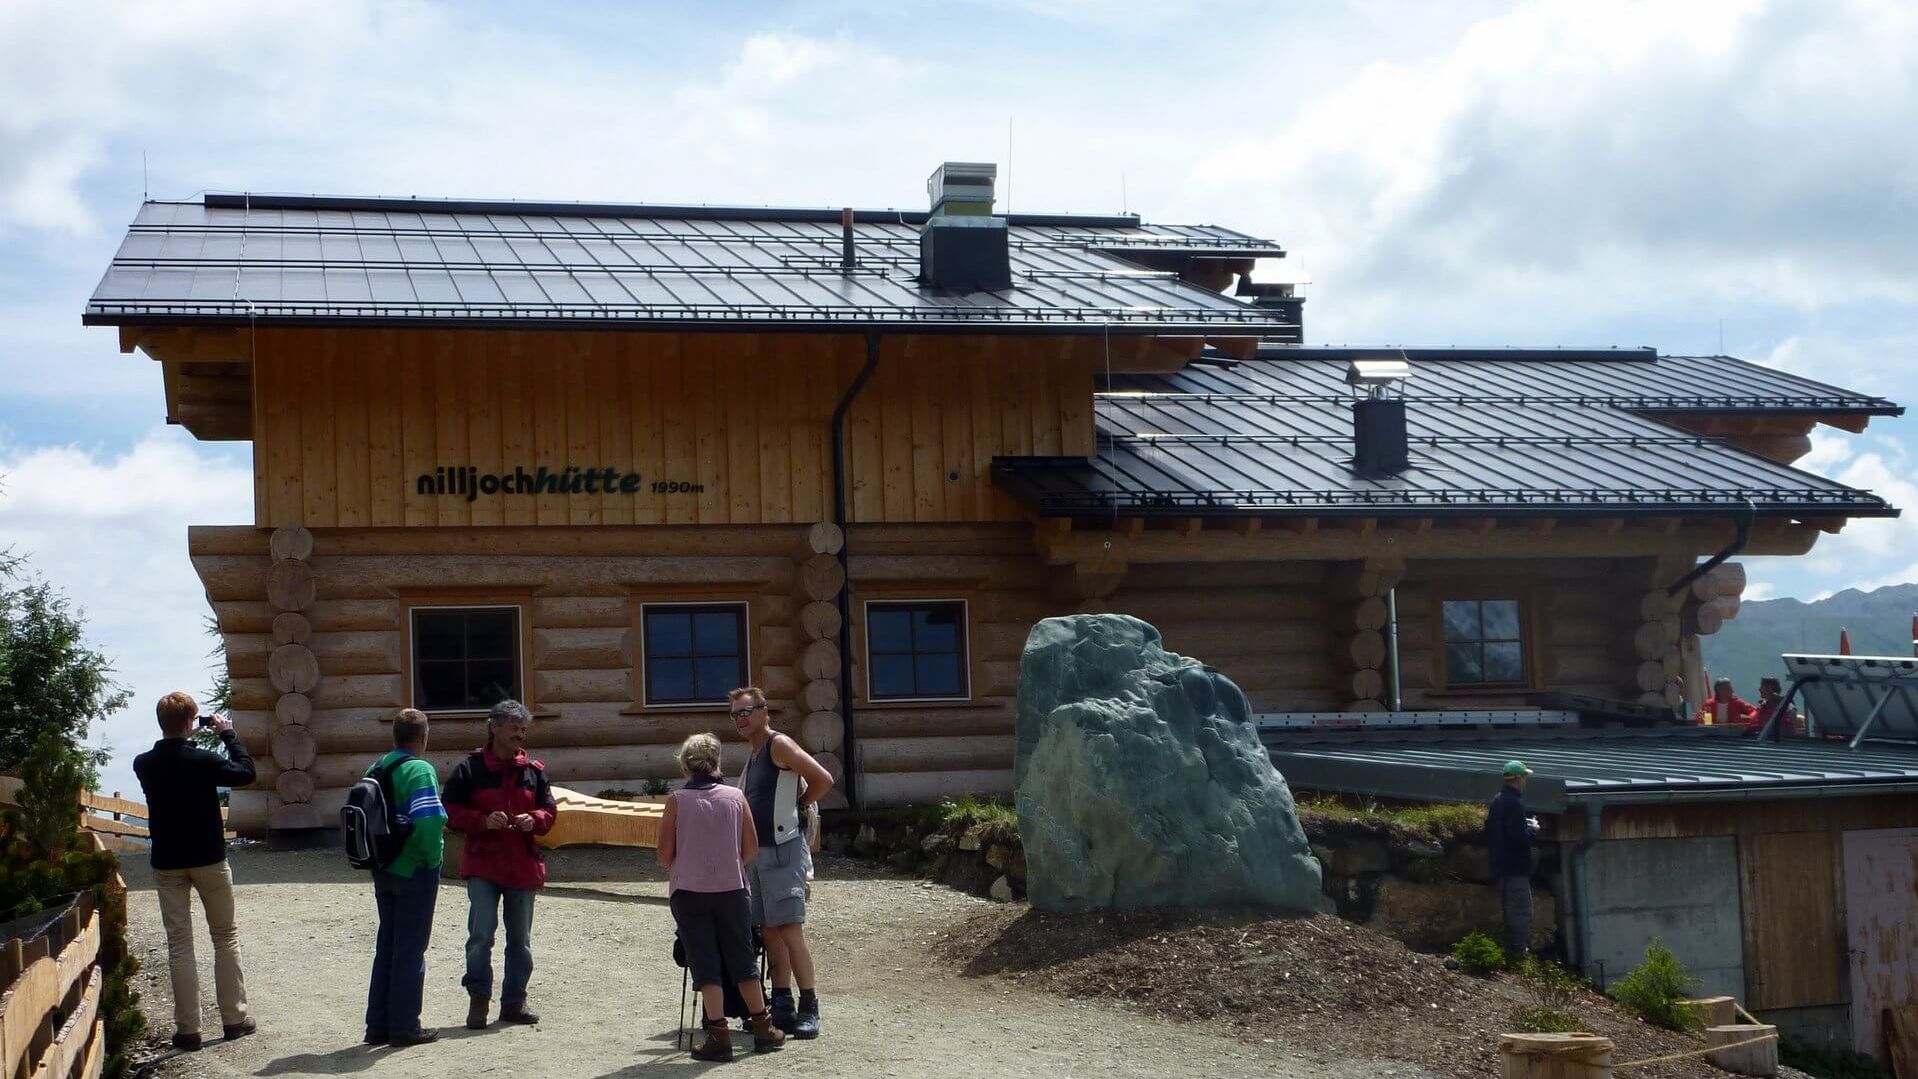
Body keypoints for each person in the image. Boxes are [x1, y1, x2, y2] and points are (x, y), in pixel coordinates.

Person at [132, 691, 258, 1052]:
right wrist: (227, 733)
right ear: (192, 721)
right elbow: (246, 773)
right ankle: (234, 1019)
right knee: (224, 936)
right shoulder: (204, 760)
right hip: (209, 859)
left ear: (161, 722)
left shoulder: (143, 764)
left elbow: (171, 763)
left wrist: (187, 735)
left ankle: (188, 1029)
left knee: (180, 944)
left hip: (168, 862)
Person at [658, 733, 786, 1060]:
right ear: (717, 762)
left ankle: (718, 1035)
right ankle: (763, 1028)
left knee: (704, 961)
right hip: (732, 890)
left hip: (689, 892)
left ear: (685, 766)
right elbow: (751, 849)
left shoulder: (676, 801)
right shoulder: (736, 797)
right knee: (742, 959)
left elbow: (664, 856)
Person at [444, 698, 557, 1030]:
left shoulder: (534, 772)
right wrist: (481, 821)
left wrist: (534, 818)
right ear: (494, 729)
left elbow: (550, 812)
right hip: (483, 865)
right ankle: (479, 999)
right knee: (481, 935)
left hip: (522, 865)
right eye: (514, 728)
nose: (520, 735)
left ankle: (514, 1003)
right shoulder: (469, 769)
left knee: (520, 940)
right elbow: (449, 810)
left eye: (523, 729)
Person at [729, 685, 833, 1038]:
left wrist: (801, 804)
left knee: (790, 930)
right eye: (735, 715)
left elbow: (823, 779)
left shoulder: (779, 745)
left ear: (764, 712)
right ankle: (783, 1002)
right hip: (758, 855)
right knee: (769, 931)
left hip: (784, 850)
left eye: (746, 712)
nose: (741, 719)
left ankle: (809, 1005)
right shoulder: (755, 753)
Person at [363, 708, 447, 1047]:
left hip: (382, 866)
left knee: (388, 945)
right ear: (424, 737)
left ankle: (377, 1026)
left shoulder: (377, 767)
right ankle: (405, 1026)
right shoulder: (420, 769)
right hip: (414, 868)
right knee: (411, 948)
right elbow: (428, 820)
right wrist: (432, 859)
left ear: (395, 736)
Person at [1485, 759, 1539, 958]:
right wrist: (1533, 830)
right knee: (1522, 910)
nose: (1526, 781)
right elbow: (1518, 837)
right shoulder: (1514, 803)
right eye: (1525, 777)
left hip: (1501, 865)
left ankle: (1512, 949)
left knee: (1510, 909)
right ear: (1518, 779)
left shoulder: (1497, 800)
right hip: (1515, 867)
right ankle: (1518, 952)